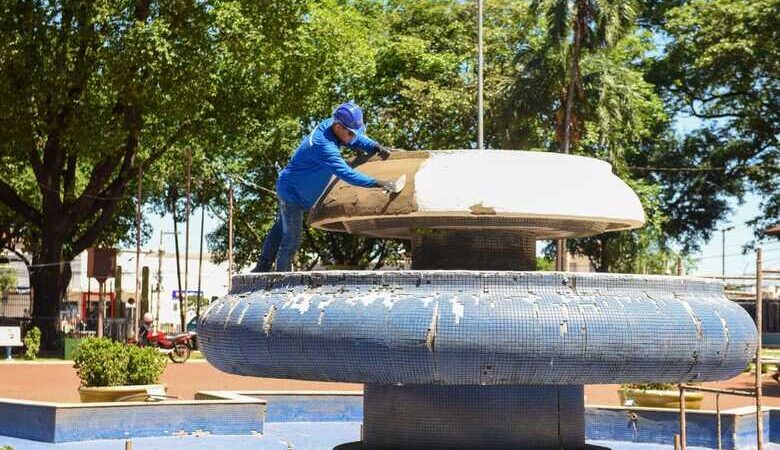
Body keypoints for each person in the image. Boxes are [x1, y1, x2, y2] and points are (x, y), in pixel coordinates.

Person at [253, 101, 398, 272]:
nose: (353, 136)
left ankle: (261, 268)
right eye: (351, 132)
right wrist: (376, 182)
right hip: (292, 194)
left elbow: (353, 140)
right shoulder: (324, 147)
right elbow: (347, 174)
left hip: (294, 189)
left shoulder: (332, 126)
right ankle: (280, 281)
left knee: (280, 228)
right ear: (338, 127)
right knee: (292, 239)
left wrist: (374, 146)